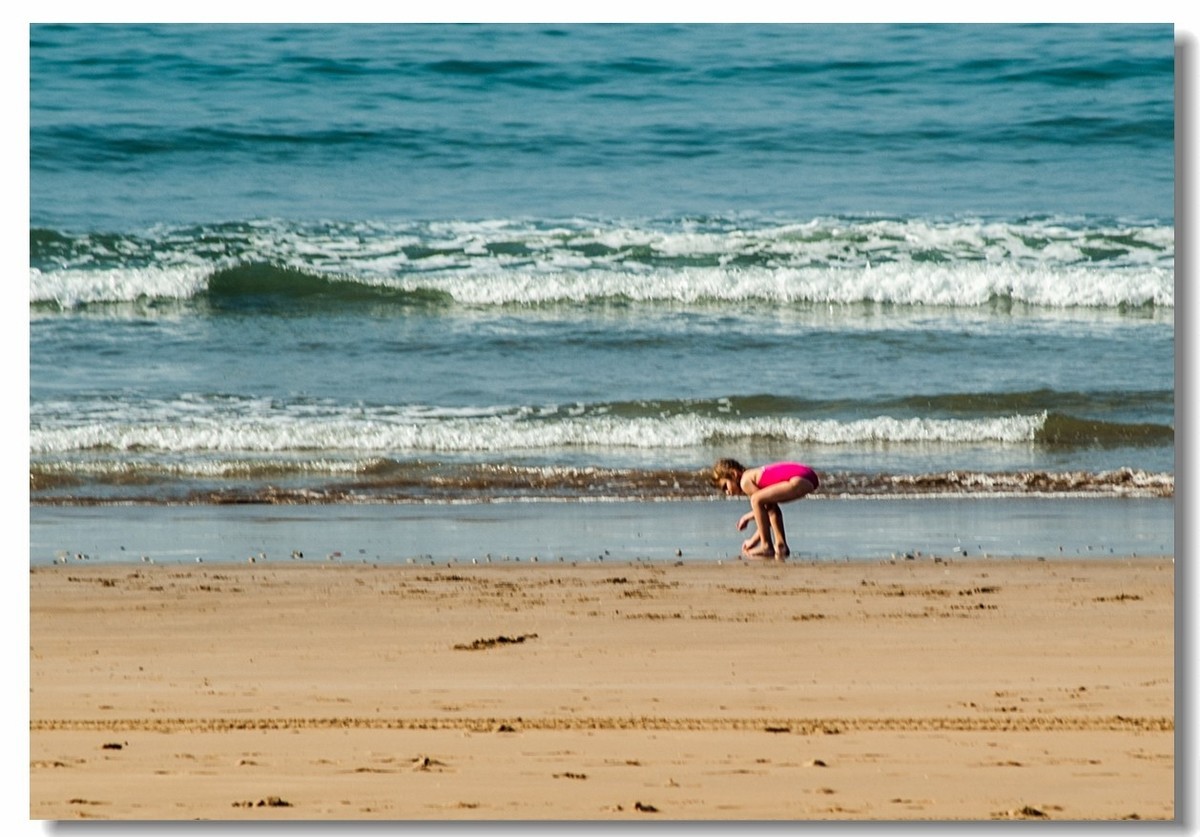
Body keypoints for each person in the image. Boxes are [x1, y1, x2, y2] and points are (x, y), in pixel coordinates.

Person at [711, 459, 819, 560]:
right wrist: (753, 539)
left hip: (799, 479)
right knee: (769, 506)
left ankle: (766, 545)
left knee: (756, 499)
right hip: (808, 477)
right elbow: (769, 510)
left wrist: (747, 518)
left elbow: (761, 507)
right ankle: (781, 545)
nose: (727, 493)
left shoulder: (745, 481)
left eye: (725, 486)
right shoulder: (753, 476)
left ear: (734, 474)